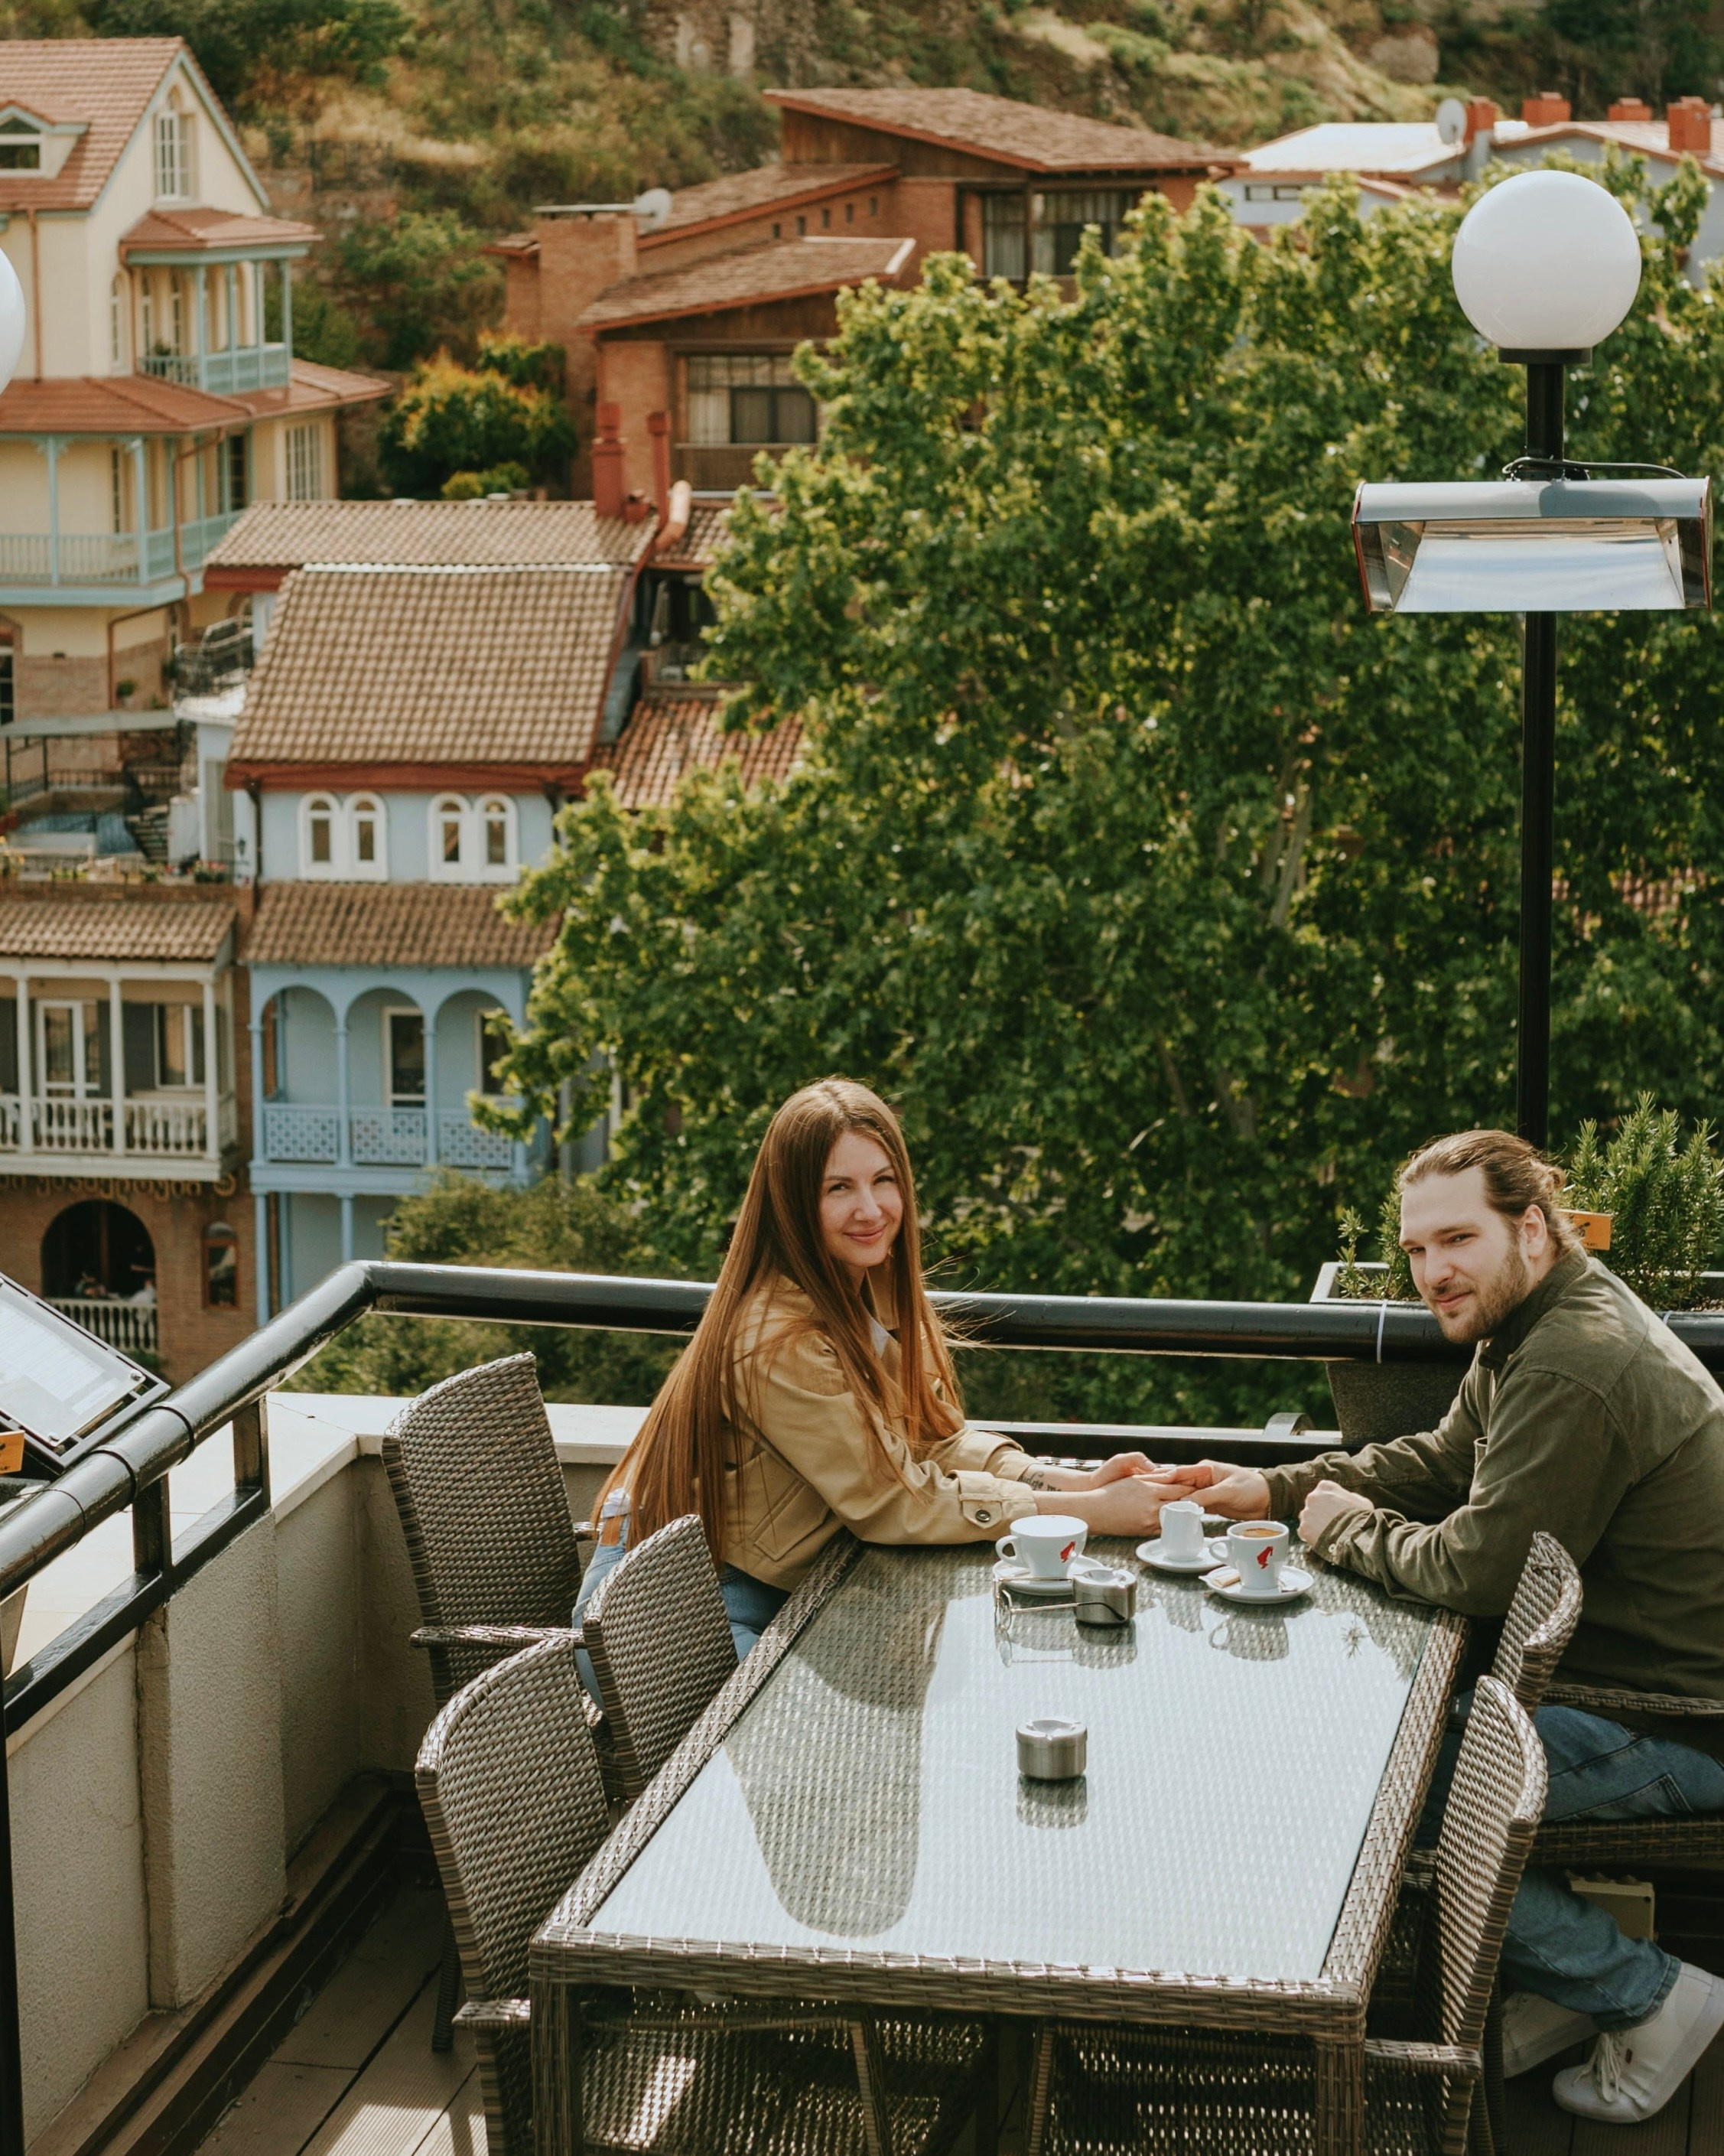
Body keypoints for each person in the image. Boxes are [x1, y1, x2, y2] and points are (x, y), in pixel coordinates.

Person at [1160, 1128, 1724, 2125]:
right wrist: (1275, 1487)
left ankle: (1647, 1994)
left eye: (1456, 1239)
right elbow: (1443, 1457)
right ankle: (1568, 1989)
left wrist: (1344, 1530)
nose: (1431, 1272)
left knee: (1376, 1801)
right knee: (1380, 1759)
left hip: (1679, 1722)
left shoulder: (1572, 1361)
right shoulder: (1540, 1317)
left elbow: (1475, 1571)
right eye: (1416, 1249)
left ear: (1532, 1228)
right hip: (1622, 1684)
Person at [576, 1076, 1167, 1666]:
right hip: (670, 1606)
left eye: (883, 1180)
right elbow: (892, 1501)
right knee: (828, 1720)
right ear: (793, 1203)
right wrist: (1093, 1514)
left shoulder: (869, 1286)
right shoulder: (777, 1339)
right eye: (839, 1188)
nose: (870, 1208)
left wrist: (1070, 1483)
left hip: (777, 1585)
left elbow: (933, 1440)